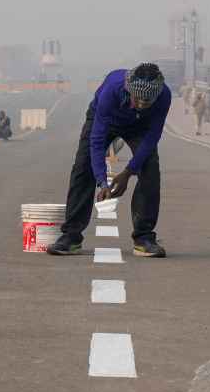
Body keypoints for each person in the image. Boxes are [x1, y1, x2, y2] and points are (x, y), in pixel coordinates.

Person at [47, 63, 171, 258]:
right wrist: (102, 181)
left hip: (140, 126)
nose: (140, 104)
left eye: (147, 102)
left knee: (150, 169)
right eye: (137, 99)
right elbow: (96, 141)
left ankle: (144, 238)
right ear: (129, 90)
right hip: (106, 118)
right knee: (83, 167)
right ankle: (71, 236)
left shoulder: (164, 96)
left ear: (156, 96)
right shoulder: (112, 90)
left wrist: (128, 172)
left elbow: (151, 138)